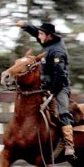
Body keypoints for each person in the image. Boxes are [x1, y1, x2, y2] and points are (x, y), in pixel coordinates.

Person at [17, 20, 75, 157]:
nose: (39, 36)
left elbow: (60, 75)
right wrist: (25, 25)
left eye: (41, 34)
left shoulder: (57, 52)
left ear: (49, 35)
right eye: (39, 33)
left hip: (60, 87)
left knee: (62, 111)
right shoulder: (47, 42)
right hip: (46, 85)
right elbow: (35, 32)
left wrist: (52, 90)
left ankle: (68, 143)